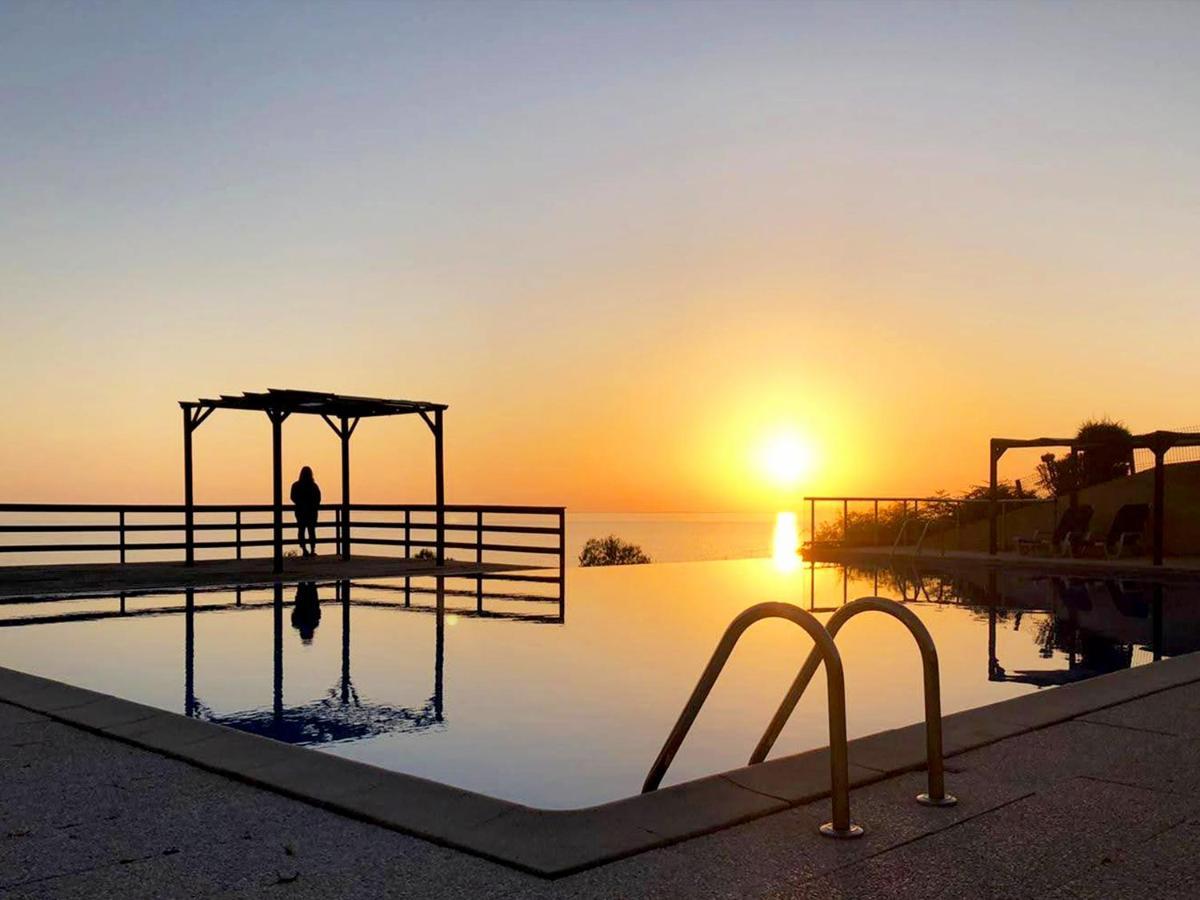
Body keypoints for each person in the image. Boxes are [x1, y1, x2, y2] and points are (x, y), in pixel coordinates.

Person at [289, 466, 321, 556]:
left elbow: (292, 497)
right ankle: (312, 549)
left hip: (300, 512)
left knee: (301, 530)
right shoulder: (314, 486)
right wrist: (313, 505)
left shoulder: (296, 485)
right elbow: (318, 498)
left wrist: (300, 503)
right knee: (311, 530)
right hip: (311, 512)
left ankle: (304, 549)